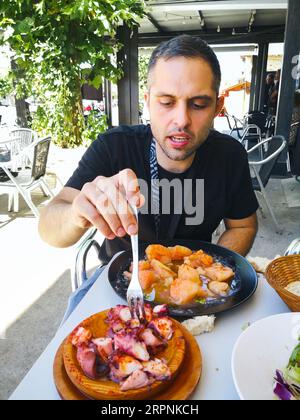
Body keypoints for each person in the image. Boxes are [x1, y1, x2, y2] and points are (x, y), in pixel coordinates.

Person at [39, 35, 258, 320]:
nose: (181, 120)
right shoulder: (114, 147)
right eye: (166, 102)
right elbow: (48, 227)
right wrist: (78, 213)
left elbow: (243, 226)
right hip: (118, 285)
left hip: (201, 300)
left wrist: (208, 269)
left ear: (217, 108)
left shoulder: (230, 155)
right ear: (148, 102)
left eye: (199, 104)